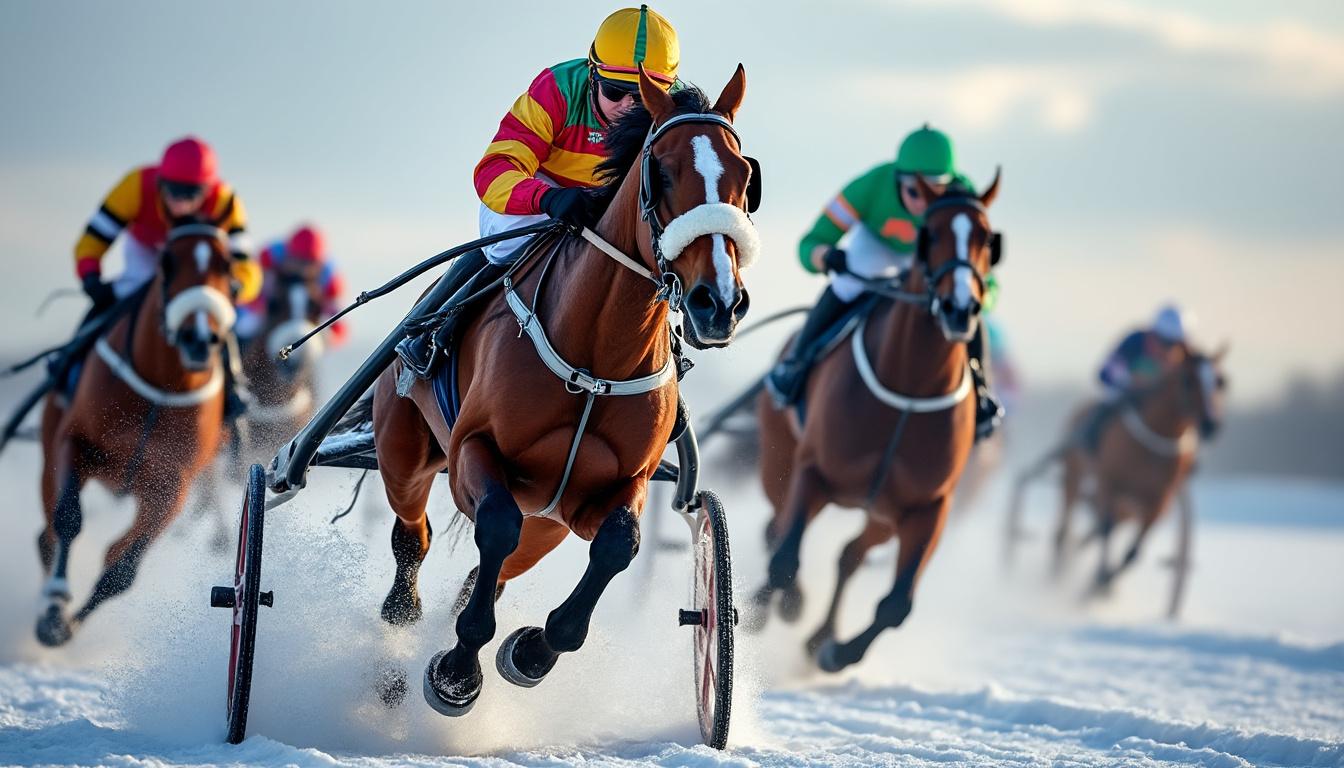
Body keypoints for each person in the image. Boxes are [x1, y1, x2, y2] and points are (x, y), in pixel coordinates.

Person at [398, 5, 680, 376]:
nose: (629, 106)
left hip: (610, 210)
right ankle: (437, 328)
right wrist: (547, 198)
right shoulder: (557, 89)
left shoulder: (673, 116)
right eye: (615, 91)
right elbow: (494, 171)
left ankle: (669, 356)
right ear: (592, 75)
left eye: (643, 96)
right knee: (503, 243)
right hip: (541, 196)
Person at [764, 125, 1003, 438]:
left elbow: (983, 276)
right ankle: (796, 362)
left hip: (932, 259)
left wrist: (982, 298)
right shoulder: (869, 186)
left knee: (962, 298)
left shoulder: (966, 194)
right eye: (915, 191)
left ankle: (980, 389)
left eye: (937, 191)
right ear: (897, 180)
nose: (924, 202)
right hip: (878, 249)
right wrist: (826, 256)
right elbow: (808, 244)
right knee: (848, 283)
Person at [65, 136, 260, 413]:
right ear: (159, 182)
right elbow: (91, 242)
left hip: (193, 267)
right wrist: (91, 277)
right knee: (112, 301)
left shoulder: (225, 201)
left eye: (191, 194)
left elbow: (247, 266)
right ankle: (68, 368)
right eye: (172, 191)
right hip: (147, 255)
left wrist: (237, 287)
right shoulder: (134, 186)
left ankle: (233, 387)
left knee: (215, 315)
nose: (180, 202)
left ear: (207, 189)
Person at [1083, 304, 1194, 450]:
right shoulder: (1135, 342)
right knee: (1106, 406)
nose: (1169, 349)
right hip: (1128, 393)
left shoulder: (1184, 352)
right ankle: (1089, 442)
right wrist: (1130, 381)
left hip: (1159, 398)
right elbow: (1105, 372)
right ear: (1155, 334)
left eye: (1174, 343)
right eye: (1165, 342)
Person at [236, 224, 347, 348]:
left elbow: (339, 327)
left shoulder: (331, 278)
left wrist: (329, 335)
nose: (303, 268)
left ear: (318, 262)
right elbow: (248, 296)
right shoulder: (269, 256)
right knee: (246, 325)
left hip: (309, 327)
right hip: (266, 308)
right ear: (289, 254)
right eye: (299, 261)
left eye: (309, 262)